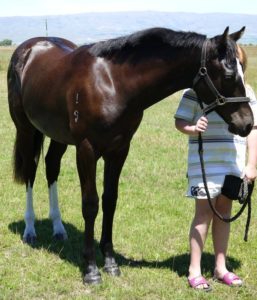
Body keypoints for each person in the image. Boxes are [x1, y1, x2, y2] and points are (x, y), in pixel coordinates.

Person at [174, 47, 257, 291]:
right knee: (203, 215)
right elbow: (180, 121)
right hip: (205, 163)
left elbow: (253, 129)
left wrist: (252, 164)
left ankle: (221, 267)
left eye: (238, 65)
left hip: (232, 162)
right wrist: (192, 128)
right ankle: (194, 270)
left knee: (224, 213)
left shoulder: (247, 93)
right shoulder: (195, 92)